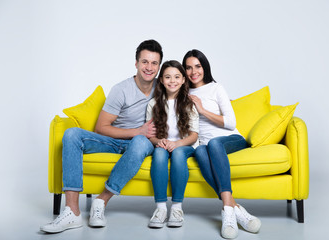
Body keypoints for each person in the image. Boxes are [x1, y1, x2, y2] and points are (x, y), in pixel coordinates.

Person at [40, 39, 163, 233]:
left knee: (140, 141)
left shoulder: (164, 87)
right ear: (136, 63)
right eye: (144, 62)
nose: (149, 67)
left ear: (159, 66)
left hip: (142, 143)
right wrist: (136, 131)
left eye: (154, 63)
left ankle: (101, 201)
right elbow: (101, 128)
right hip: (116, 141)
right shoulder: (121, 90)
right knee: (72, 134)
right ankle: (72, 211)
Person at [182, 49, 261, 239]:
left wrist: (201, 109)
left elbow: (231, 122)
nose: (194, 72)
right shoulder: (182, 94)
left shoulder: (216, 88)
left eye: (198, 66)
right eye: (188, 68)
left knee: (213, 144)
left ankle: (226, 210)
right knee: (201, 151)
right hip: (206, 145)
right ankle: (236, 209)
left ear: (204, 67)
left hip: (230, 140)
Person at [146, 60, 199, 228]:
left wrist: (177, 144)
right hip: (163, 145)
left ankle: (176, 208)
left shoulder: (188, 103)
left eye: (177, 77)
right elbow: (150, 135)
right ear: (161, 80)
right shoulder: (154, 104)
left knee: (177, 153)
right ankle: (160, 209)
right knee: (160, 153)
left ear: (183, 79)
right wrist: (158, 141)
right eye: (168, 77)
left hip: (184, 146)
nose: (172, 81)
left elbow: (194, 136)